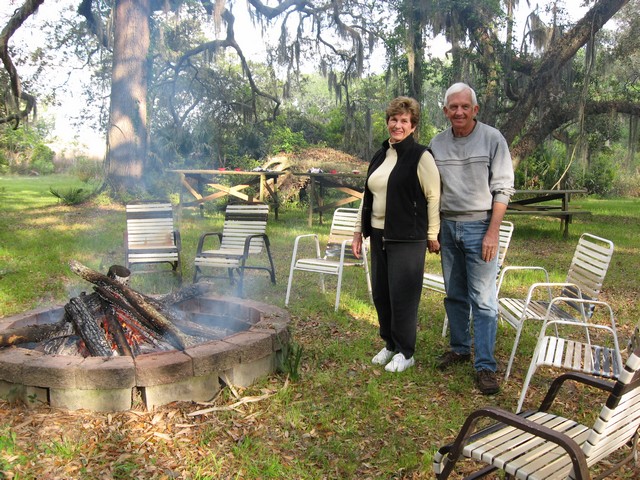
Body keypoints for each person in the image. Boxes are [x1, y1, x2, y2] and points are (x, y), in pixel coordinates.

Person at [429, 82, 515, 394]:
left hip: (481, 227)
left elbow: (503, 188)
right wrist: (433, 230)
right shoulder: (436, 144)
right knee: (454, 294)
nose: (459, 111)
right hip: (448, 227)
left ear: (475, 110)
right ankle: (460, 348)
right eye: (453, 107)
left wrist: (493, 232)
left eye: (465, 106)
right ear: (445, 111)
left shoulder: (493, 139)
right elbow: (431, 190)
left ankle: (486, 366)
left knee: (484, 300)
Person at [352, 96, 441, 373]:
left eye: (404, 121)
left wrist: (433, 233)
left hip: (407, 237)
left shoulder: (421, 156)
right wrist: (358, 231)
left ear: (413, 126)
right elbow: (367, 195)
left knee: (402, 295)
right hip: (378, 235)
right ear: (388, 122)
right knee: (381, 293)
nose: (398, 125)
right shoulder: (381, 155)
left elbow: (433, 195)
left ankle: (406, 351)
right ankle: (390, 344)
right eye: (394, 119)